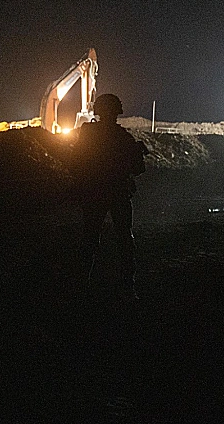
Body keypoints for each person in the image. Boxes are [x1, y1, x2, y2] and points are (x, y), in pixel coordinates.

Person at [73, 93, 147, 298]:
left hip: (94, 193)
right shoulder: (123, 138)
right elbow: (138, 169)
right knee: (124, 240)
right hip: (117, 193)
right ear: (117, 112)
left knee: (90, 239)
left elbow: (76, 161)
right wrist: (138, 152)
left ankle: (81, 285)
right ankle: (127, 287)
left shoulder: (87, 134)